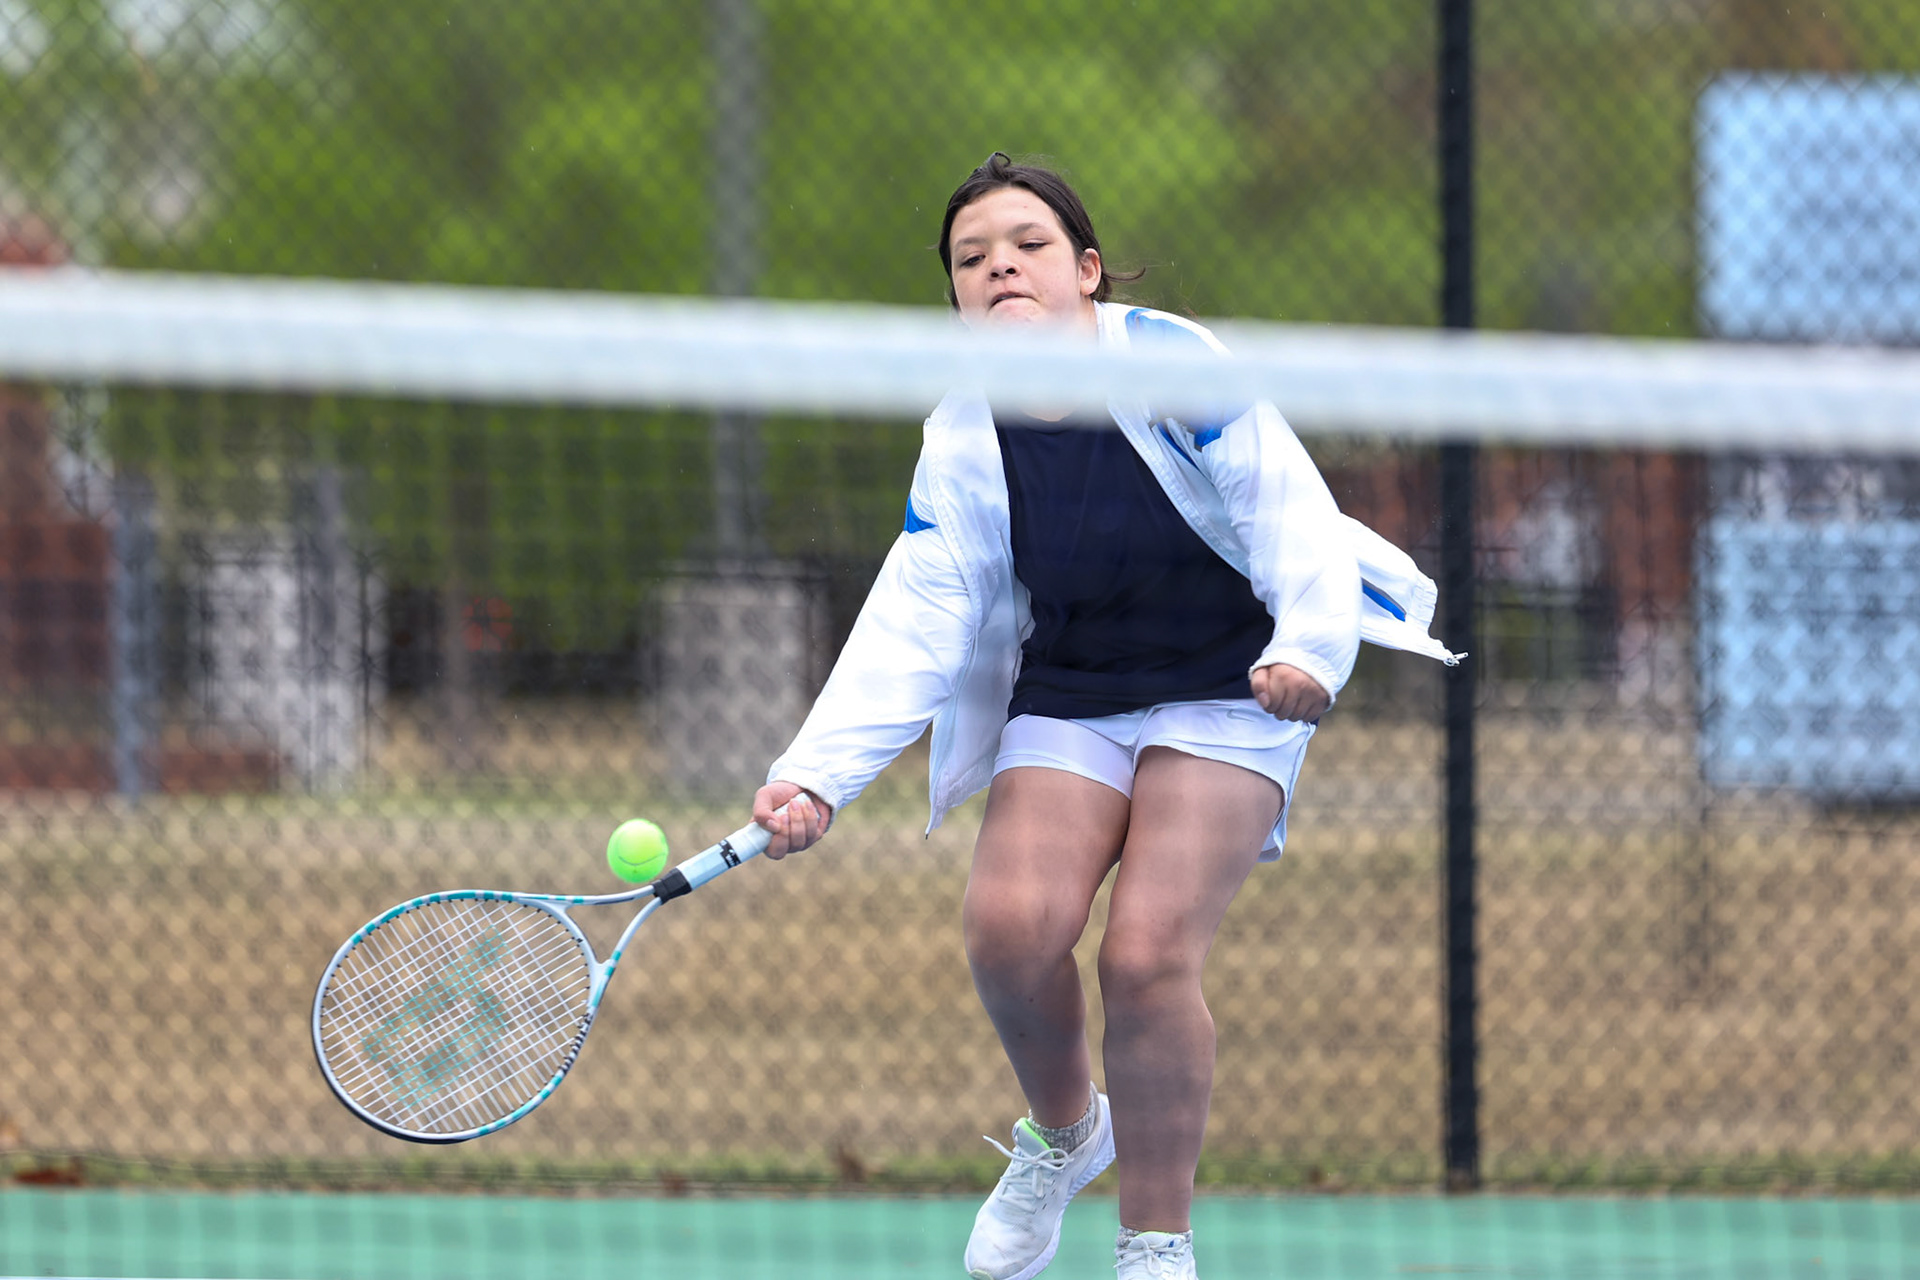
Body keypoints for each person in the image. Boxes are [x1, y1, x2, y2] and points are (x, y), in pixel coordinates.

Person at [751, 153, 1459, 1280]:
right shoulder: (963, 433)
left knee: (1143, 955)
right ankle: (1067, 1136)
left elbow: (1290, 510)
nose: (1000, 269)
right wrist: (817, 773)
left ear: (1085, 270)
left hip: (1236, 680)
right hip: (1076, 687)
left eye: (1026, 245)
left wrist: (1308, 652)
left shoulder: (1172, 361)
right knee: (1010, 927)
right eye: (971, 260)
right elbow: (920, 612)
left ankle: (1155, 1244)